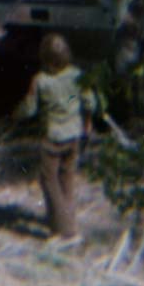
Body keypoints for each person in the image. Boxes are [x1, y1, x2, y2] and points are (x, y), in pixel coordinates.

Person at [13, 33, 97, 241]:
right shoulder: (78, 75)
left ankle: (64, 229)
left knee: (49, 180)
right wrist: (87, 124)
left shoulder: (40, 81)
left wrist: (15, 114)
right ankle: (65, 218)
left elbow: (29, 110)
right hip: (74, 135)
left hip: (52, 137)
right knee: (67, 178)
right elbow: (90, 103)